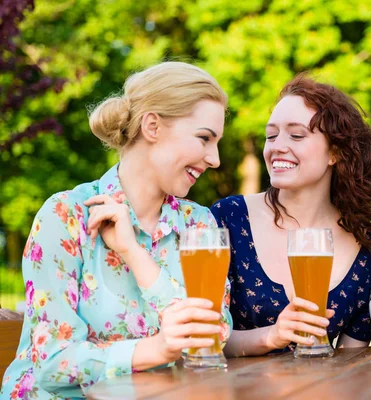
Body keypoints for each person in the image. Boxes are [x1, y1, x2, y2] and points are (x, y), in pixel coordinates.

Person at [1, 61, 233, 399]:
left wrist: (134, 254)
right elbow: (52, 361)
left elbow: (217, 333)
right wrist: (156, 350)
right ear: (152, 126)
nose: (214, 159)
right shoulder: (65, 216)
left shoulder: (198, 225)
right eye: (204, 139)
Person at [211, 76, 371, 356]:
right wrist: (270, 337)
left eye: (296, 135)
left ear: (335, 152)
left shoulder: (367, 249)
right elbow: (203, 342)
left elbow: (351, 361)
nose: (277, 146)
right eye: (271, 135)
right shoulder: (228, 218)